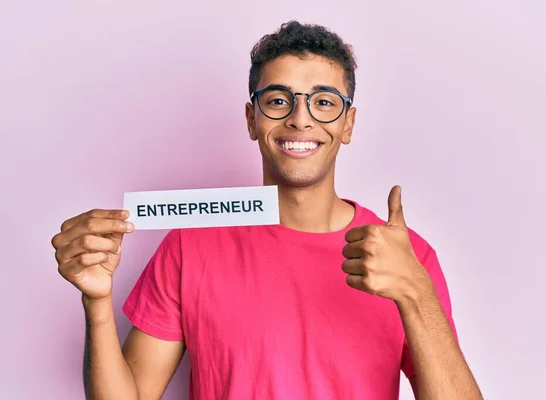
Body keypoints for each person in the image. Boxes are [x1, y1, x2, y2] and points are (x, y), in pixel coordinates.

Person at [52, 21, 482, 400]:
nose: (300, 119)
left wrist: (416, 294)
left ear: (348, 124)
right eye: (278, 101)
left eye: (325, 102)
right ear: (251, 118)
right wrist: (97, 302)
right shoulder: (189, 245)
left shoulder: (407, 257)